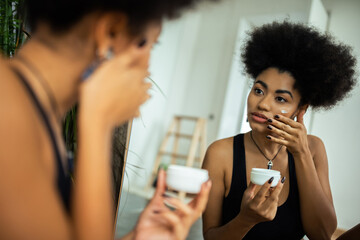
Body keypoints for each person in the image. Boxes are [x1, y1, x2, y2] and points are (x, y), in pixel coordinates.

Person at [0, 0, 213, 239]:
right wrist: (98, 124)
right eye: (148, 44)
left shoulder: (34, 108)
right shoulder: (6, 103)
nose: (148, 66)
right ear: (109, 32)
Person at [202, 21, 357, 240]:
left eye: (280, 98)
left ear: (301, 109)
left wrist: (301, 153)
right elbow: (210, 237)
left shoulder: (313, 149)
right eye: (258, 90)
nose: (263, 104)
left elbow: (322, 234)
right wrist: (245, 220)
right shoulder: (220, 154)